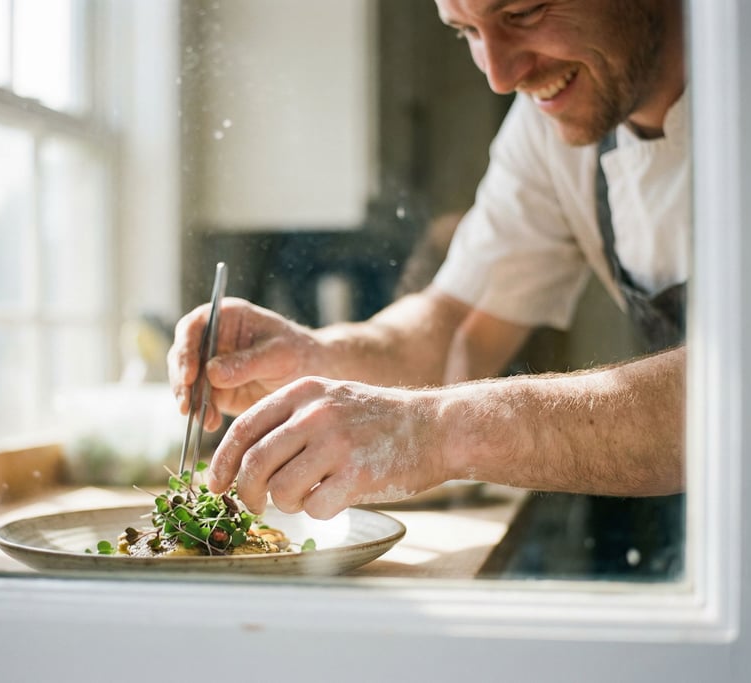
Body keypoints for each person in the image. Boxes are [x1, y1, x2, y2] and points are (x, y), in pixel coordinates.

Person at [168, 0, 689, 576]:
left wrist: (441, 429)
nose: (498, 75)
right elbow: (450, 324)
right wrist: (311, 357)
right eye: (467, 31)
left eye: (523, 13)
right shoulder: (547, 126)